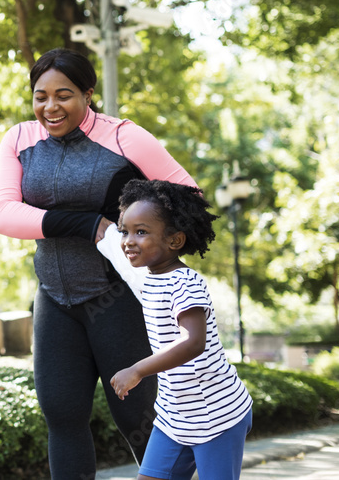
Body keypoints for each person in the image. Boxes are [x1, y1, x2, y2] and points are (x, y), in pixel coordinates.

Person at [0, 47, 197, 479]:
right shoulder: (20, 140)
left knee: (139, 417)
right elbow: (1, 214)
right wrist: (87, 224)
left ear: (88, 93)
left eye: (63, 95)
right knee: (61, 416)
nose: (50, 106)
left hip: (116, 297)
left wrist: (142, 232)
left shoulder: (124, 137)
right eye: (40, 96)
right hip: (54, 297)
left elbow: (189, 199)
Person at [111, 179, 253, 480]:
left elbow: (193, 343)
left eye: (141, 232)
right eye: (125, 231)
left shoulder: (184, 282)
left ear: (174, 241)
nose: (128, 241)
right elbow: (114, 252)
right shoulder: (150, 278)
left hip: (216, 414)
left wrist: (137, 370)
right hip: (174, 415)